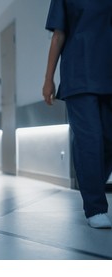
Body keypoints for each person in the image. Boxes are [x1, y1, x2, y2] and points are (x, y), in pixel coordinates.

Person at [43, 0, 112, 228]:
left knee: (108, 141)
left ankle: (91, 184)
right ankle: (95, 207)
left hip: (108, 74)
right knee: (89, 140)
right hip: (79, 74)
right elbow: (58, 35)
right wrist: (48, 79)